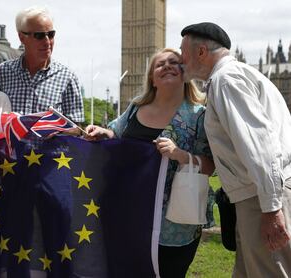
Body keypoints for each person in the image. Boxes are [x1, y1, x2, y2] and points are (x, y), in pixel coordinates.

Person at [85, 48, 215, 277]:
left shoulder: (199, 116)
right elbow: (116, 135)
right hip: (132, 214)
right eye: (160, 64)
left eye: (174, 63)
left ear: (185, 74)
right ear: (152, 79)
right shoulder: (136, 108)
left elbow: (212, 165)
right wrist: (103, 133)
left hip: (175, 224)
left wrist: (181, 156)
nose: (167, 66)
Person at [180, 22, 291, 277]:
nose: (179, 59)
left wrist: (271, 208)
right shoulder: (238, 75)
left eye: (183, 52)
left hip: (261, 197)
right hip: (262, 194)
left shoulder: (226, 80)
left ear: (201, 52)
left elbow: (259, 145)